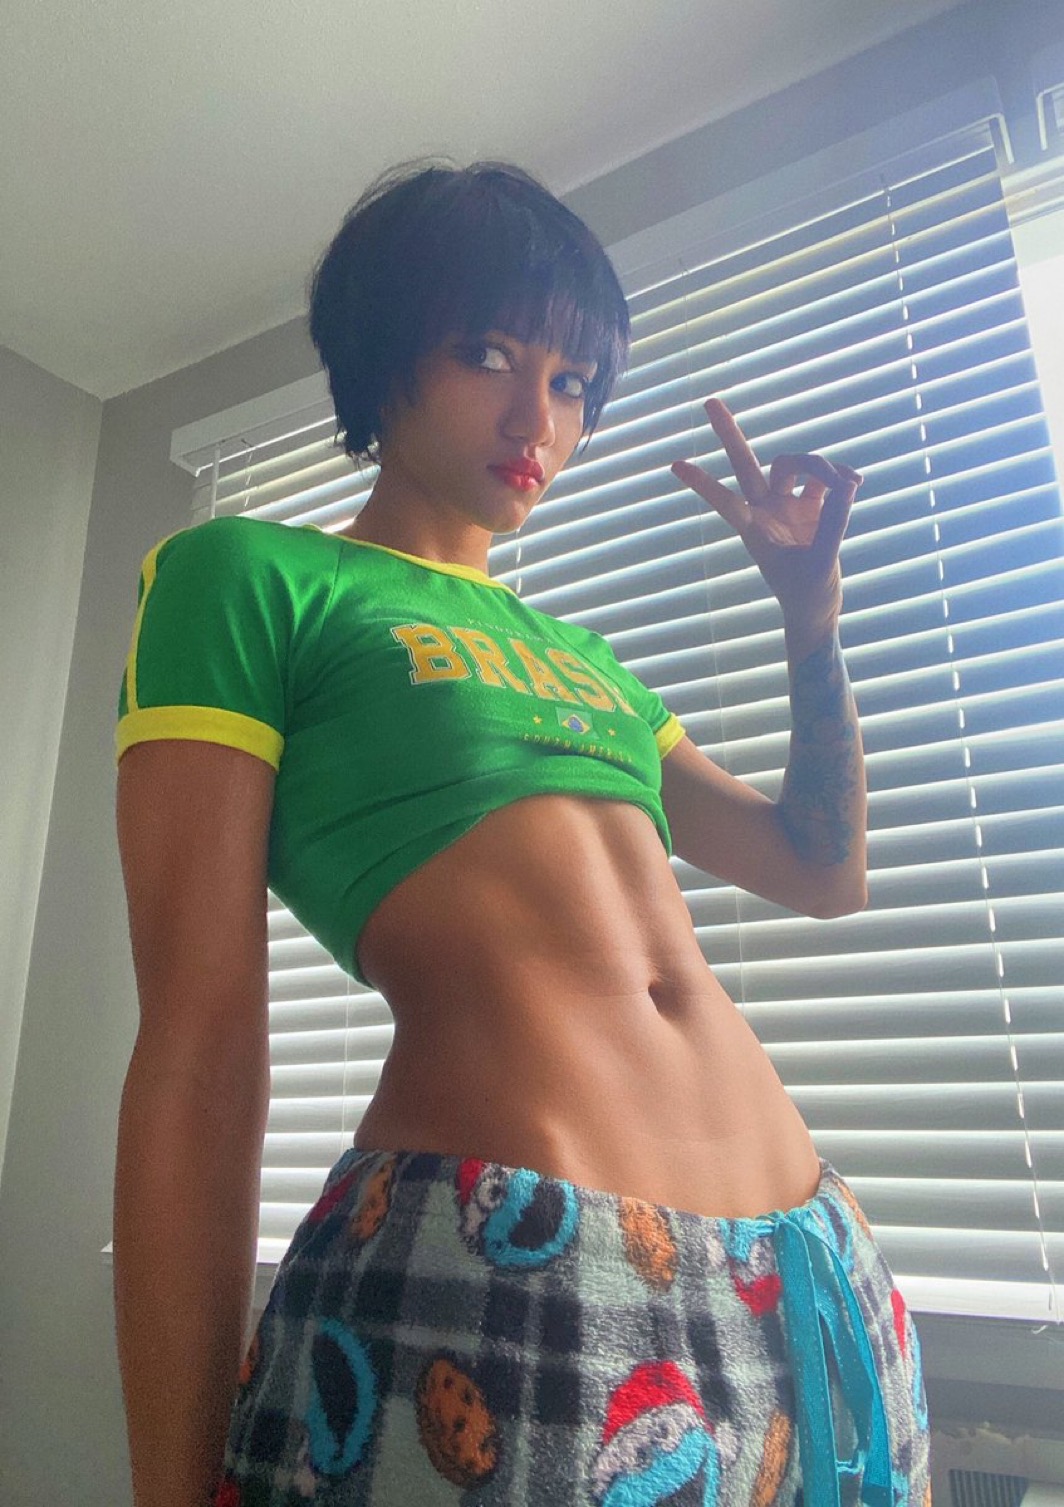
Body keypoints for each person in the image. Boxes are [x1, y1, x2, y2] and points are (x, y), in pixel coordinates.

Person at [113, 160, 930, 1507]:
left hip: (807, 1269)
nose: (536, 418)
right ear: (384, 356)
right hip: (515, 1256)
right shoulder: (251, 579)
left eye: (573, 382)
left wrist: (810, 625)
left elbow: (823, 870)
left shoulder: (594, 665)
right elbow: (198, 1052)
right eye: (488, 354)